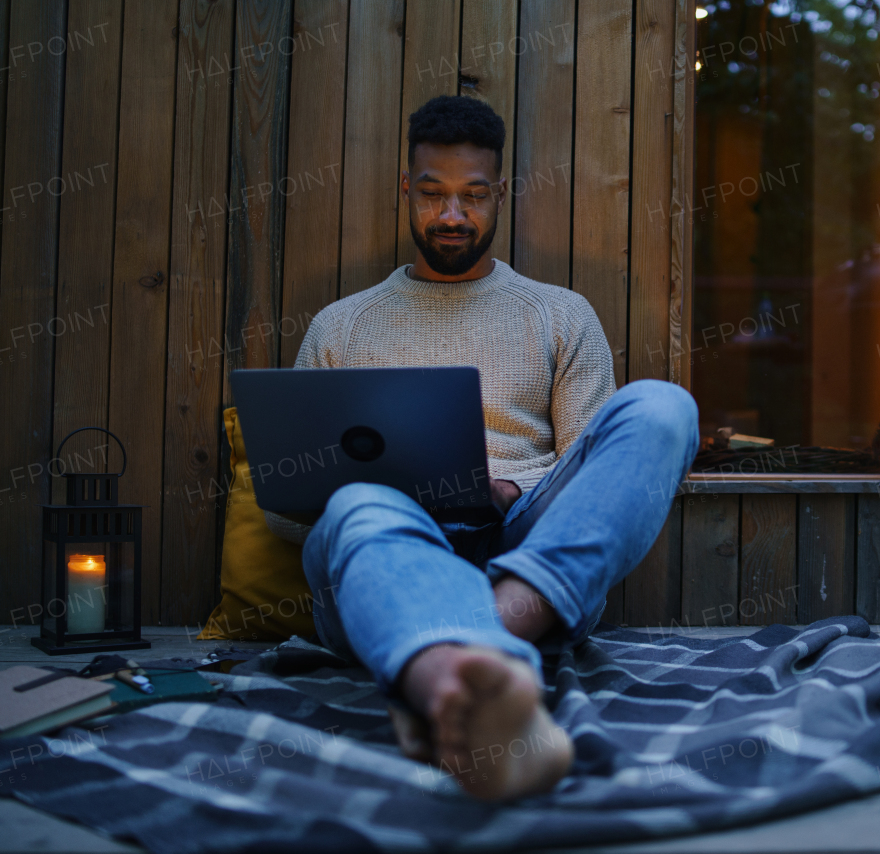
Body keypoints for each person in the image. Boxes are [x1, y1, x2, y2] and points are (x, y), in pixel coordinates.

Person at [262, 95, 699, 800]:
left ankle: (452, 664)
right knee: (362, 505)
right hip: (388, 553)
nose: (453, 216)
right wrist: (403, 494)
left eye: (473, 196)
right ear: (407, 190)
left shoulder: (560, 315)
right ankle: (479, 682)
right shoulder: (340, 327)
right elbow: (287, 517)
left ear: (502, 193)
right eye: (433, 194)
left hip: (524, 551)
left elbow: (591, 490)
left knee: (664, 406)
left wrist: (514, 492)